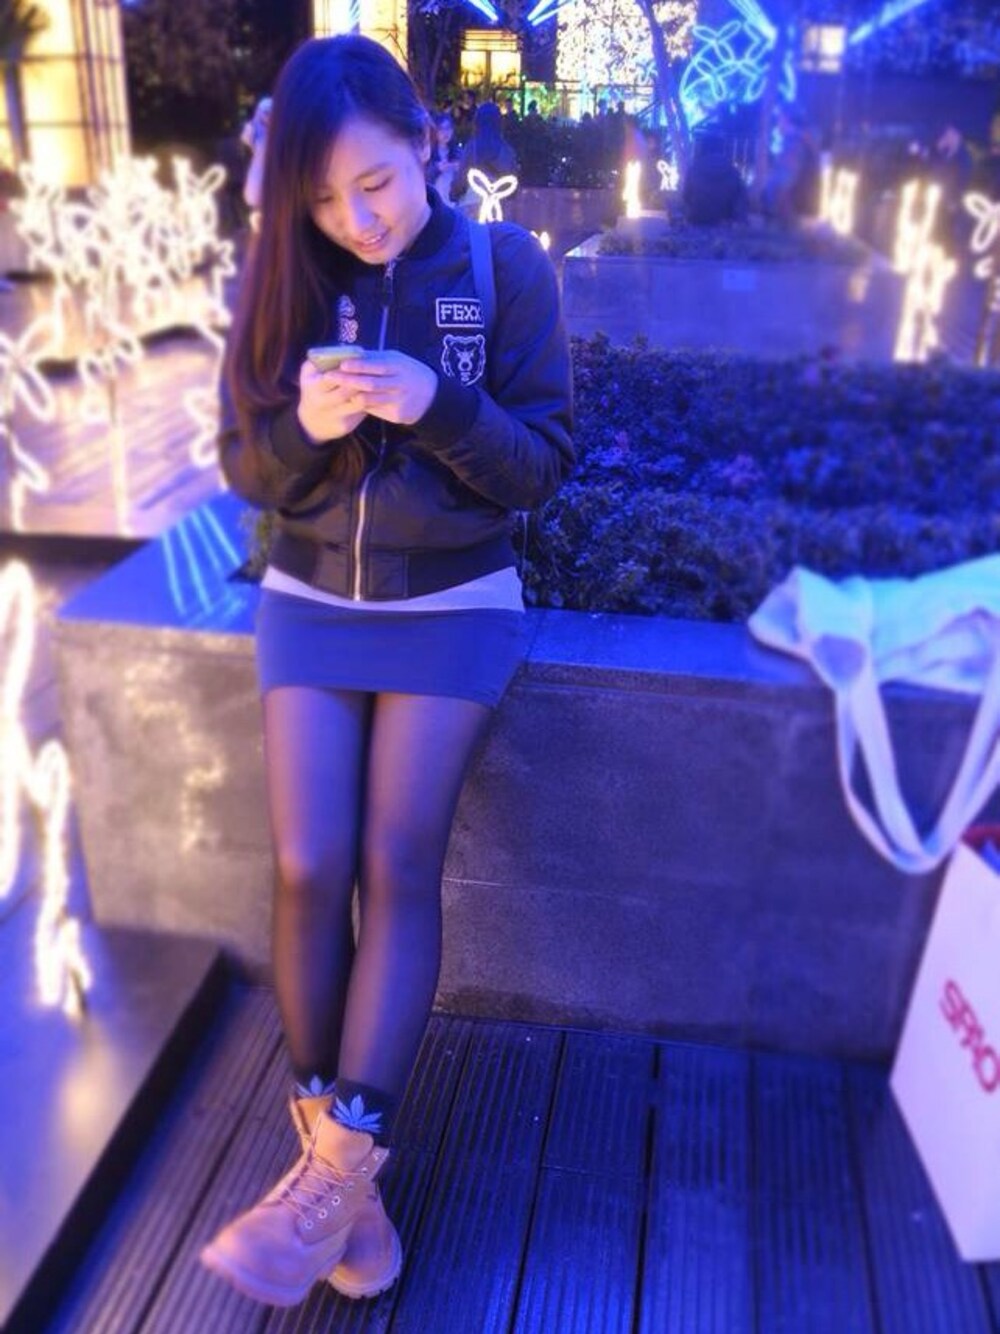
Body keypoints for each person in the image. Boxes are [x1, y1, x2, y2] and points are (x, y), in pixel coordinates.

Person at [199, 34, 573, 1309]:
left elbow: (540, 464)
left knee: (392, 856)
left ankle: (335, 1166)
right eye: (323, 197)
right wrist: (302, 432)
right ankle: (339, 1176)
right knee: (307, 861)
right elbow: (245, 464)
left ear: (425, 141)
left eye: (375, 183)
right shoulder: (290, 276)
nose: (356, 219)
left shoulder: (504, 267)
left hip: (454, 600)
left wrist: (437, 405)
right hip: (311, 595)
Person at [452, 100, 519, 210]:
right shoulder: (506, 150)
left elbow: (461, 179)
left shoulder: (471, 147)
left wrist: (454, 194)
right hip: (498, 203)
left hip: (472, 203)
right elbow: (513, 185)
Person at [682, 132, 749, 225]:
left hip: (697, 221)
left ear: (703, 148)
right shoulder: (733, 172)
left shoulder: (693, 170)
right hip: (725, 223)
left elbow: (686, 196)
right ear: (722, 149)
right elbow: (741, 199)